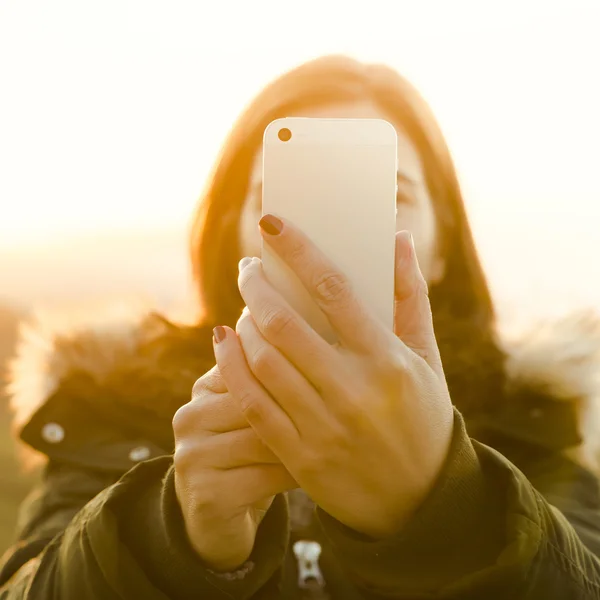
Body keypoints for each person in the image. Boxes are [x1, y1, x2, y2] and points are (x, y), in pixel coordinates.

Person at [1, 55, 599, 599]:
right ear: (230, 235)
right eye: (281, 197)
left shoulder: (536, 419)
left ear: (442, 248)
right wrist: (170, 536)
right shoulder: (109, 407)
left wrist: (448, 503)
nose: (324, 240)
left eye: (388, 194)